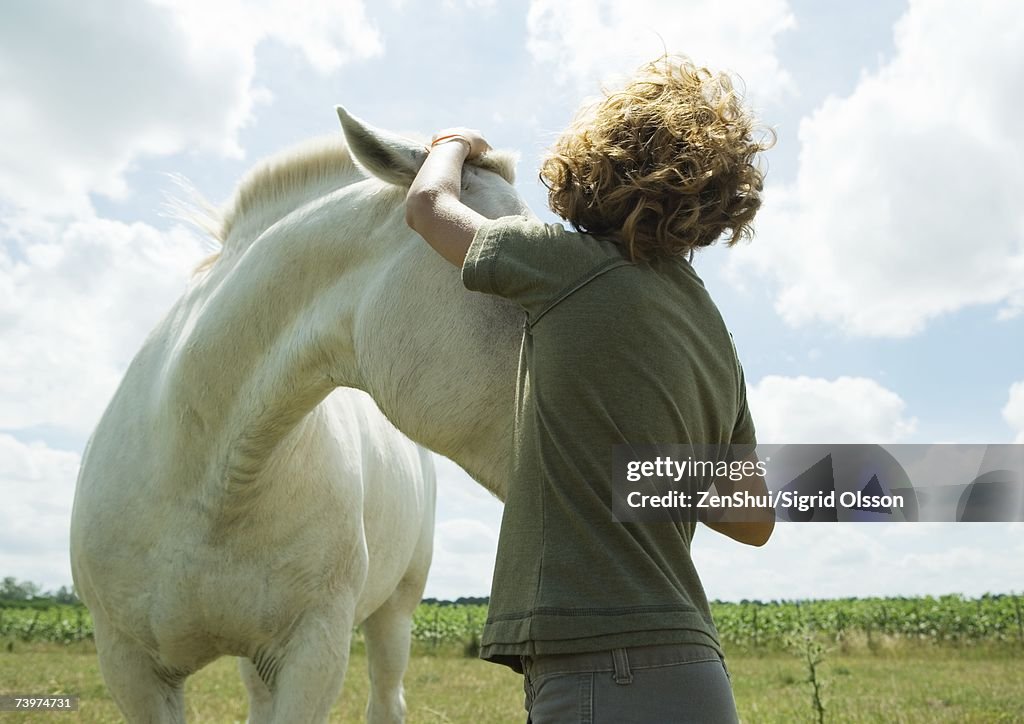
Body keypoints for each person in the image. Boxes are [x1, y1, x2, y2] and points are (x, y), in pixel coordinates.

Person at [405, 53, 776, 723]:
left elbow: (430, 208)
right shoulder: (714, 331)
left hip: (603, 670)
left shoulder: (565, 264)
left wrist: (453, 143)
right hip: (697, 666)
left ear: (595, 166)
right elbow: (754, 520)